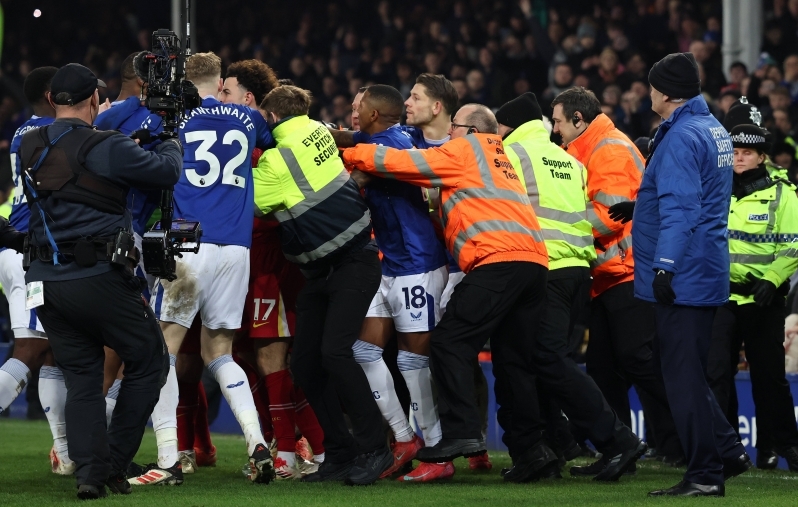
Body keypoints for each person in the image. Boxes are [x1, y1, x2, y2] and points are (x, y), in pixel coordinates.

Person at [343, 103, 645, 483]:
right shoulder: (509, 156)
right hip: (538, 263)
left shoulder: (468, 149)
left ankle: (462, 433)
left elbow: (397, 161)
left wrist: (349, 151)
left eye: (454, 127)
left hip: (500, 260)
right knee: (517, 361)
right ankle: (535, 452)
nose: (449, 134)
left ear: (469, 130)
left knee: (450, 341)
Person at [17, 63, 182, 500]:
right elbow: (165, 172)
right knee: (150, 360)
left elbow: (70, 167)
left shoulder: (28, 143)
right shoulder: (106, 144)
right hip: (98, 276)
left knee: (83, 378)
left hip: (46, 281)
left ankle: (89, 473)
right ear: (94, 99)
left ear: (52, 100)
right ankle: (112, 463)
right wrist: (167, 141)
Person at [138, 52, 275, 486]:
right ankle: (256, 444)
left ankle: (168, 459)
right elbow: (270, 140)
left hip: (188, 240)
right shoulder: (246, 118)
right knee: (221, 351)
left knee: (164, 351)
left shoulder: (173, 118)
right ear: (220, 83)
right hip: (236, 247)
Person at [253, 85, 391, 486]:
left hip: (350, 264)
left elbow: (253, 201)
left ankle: (375, 448)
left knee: (333, 353)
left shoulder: (278, 160)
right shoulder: (315, 132)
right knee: (306, 364)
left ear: (273, 119)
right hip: (330, 268)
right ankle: (342, 452)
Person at [633, 52, 750, 497]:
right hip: (705, 265)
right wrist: (641, 207)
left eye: (652, 86)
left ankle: (704, 473)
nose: (649, 93)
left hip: (684, 271)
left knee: (681, 378)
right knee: (688, 373)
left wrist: (665, 266)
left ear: (666, 92)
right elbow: (693, 195)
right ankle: (726, 449)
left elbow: (683, 208)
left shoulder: (682, 136)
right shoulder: (713, 129)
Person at [551, 86, 684, 470]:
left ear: (579, 119)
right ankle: (619, 449)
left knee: (639, 362)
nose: (555, 130)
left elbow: (610, 214)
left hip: (627, 271)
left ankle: (707, 438)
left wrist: (557, 232)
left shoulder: (608, 148)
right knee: (604, 370)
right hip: (608, 276)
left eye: (559, 121)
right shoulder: (589, 148)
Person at [220, 59, 326, 480]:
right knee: (250, 360)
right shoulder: (239, 146)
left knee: (272, 361)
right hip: (242, 270)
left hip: (270, 269)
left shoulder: (270, 149)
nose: (218, 99)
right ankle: (304, 444)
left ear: (247, 100)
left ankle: (292, 450)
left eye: (225, 93)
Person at [348, 84, 451, 481]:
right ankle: (405, 438)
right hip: (388, 264)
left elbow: (367, 164)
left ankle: (437, 453)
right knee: (364, 350)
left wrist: (361, 174)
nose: (353, 115)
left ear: (374, 114)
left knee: (412, 361)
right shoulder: (374, 138)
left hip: (418, 265)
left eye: (358, 108)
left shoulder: (391, 147)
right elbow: (348, 139)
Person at [496, 92, 597, 479]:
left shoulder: (512, 156)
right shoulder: (571, 160)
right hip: (578, 269)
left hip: (543, 267)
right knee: (549, 362)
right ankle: (559, 444)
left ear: (509, 127)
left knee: (536, 363)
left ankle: (610, 437)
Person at [706, 124, 798, 472]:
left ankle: (785, 446)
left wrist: (773, 280)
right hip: (721, 298)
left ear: (762, 157)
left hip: (763, 300)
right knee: (717, 374)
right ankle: (726, 449)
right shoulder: (716, 188)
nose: (740, 158)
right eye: (736, 152)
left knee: (769, 378)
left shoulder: (783, 194)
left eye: (747, 153)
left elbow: (793, 243)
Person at [0, 66, 73, 475]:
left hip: (25, 249)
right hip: (30, 253)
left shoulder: (24, 130)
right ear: (52, 95)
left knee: (51, 354)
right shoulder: (51, 131)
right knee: (29, 352)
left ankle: (64, 452)